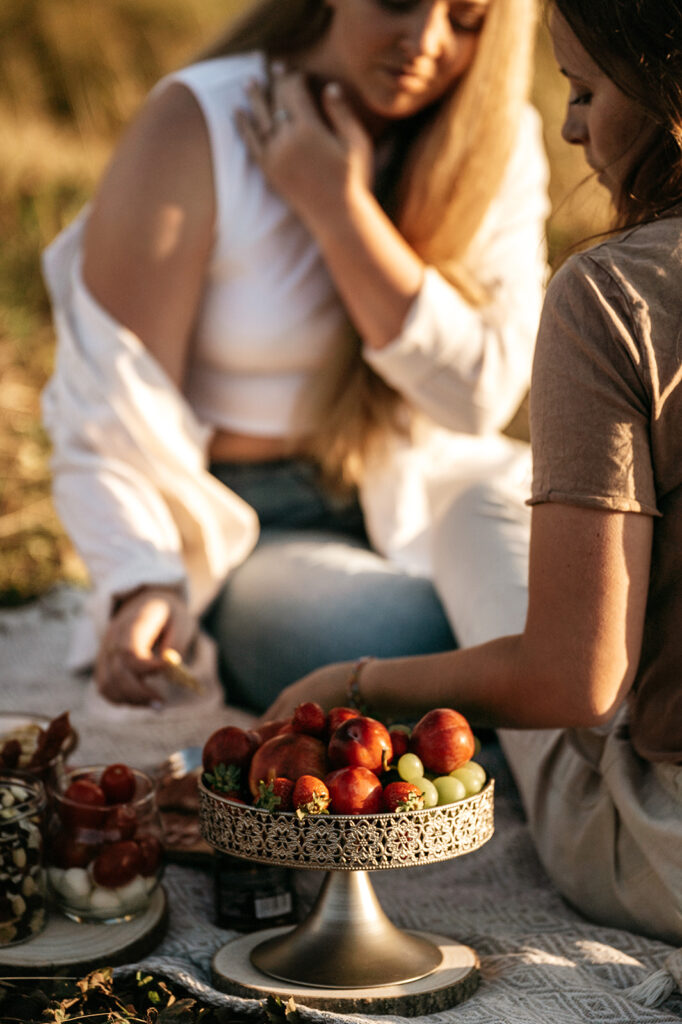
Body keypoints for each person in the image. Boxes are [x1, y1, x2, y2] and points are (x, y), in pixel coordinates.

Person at [261, 0, 682, 944]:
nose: (570, 124)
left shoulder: (613, 295)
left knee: (472, 507)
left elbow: (579, 681)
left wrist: (363, 686)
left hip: (660, 846)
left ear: (664, 90)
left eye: (584, 89)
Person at [41, 0, 549, 711]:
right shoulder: (198, 124)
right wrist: (143, 579)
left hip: (430, 485)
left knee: (587, 614)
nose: (425, 42)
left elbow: (481, 397)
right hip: (252, 523)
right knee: (412, 641)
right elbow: (110, 403)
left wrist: (338, 209)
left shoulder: (500, 137)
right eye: (398, 2)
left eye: (465, 18)